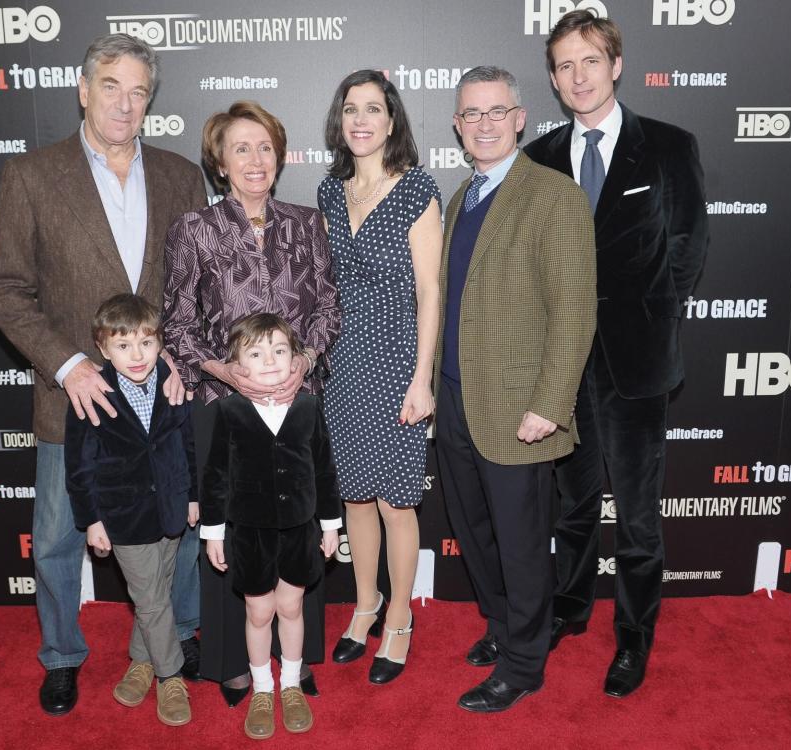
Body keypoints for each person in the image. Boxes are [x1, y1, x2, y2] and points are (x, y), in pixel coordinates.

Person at [0, 33, 207, 716]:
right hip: (71, 397)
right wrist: (69, 362)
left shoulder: (178, 175)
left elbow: (193, 287)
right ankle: (61, 656)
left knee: (179, 527)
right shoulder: (31, 175)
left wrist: (177, 351)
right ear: (83, 90)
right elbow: (5, 289)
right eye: (111, 86)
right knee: (56, 535)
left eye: (139, 90)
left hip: (160, 396)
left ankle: (181, 635)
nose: (125, 102)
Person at [523, 10, 708, 698]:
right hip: (562, 369)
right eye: (565, 65)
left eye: (590, 61)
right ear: (552, 76)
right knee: (571, 507)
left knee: (635, 514)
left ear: (616, 65)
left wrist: (653, 320)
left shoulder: (666, 145)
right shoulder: (538, 157)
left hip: (636, 365)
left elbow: (688, 247)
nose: (578, 76)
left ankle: (633, 639)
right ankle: (571, 611)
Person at [162, 100, 341, 707]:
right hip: (225, 404)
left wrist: (304, 362)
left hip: (298, 401)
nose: (255, 159)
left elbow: (327, 310)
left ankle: (296, 659)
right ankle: (233, 661)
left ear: (279, 154)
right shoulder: (195, 229)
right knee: (235, 530)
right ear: (219, 161)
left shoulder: (307, 222)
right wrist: (229, 373)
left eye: (264, 146)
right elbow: (178, 323)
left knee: (297, 520)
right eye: (241, 148)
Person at [435, 66, 596, 713]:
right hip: (456, 403)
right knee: (476, 533)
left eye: (496, 111)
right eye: (471, 114)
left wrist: (550, 406)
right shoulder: (459, 198)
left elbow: (575, 311)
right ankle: (502, 630)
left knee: (524, 542)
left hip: (520, 409)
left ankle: (525, 664)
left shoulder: (554, 196)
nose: (484, 123)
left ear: (522, 117)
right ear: (457, 124)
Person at [318, 69, 442, 684]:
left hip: (398, 363)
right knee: (355, 498)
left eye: (373, 108)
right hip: (344, 366)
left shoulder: (417, 188)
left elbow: (430, 291)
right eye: (350, 109)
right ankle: (364, 602)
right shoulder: (328, 190)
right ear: (340, 123)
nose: (361, 119)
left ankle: (399, 615)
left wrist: (422, 380)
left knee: (396, 501)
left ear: (392, 121)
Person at [200, 313, 341, 739]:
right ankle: (263, 689)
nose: (270, 360)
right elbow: (216, 475)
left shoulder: (310, 406)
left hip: (300, 529)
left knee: (292, 607)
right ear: (237, 363)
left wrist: (332, 525)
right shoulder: (228, 410)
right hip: (249, 532)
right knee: (259, 611)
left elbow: (324, 470)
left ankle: (291, 683)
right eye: (257, 353)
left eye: (280, 351)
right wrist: (213, 532)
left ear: (295, 356)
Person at [65, 295, 198, 726]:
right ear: (103, 349)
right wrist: (92, 520)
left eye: (146, 342)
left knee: (155, 590)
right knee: (152, 599)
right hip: (123, 514)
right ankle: (169, 675)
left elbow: (187, 443)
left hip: (172, 507)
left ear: (161, 342)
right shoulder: (92, 393)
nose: (136, 355)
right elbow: (80, 466)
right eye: (123, 346)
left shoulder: (170, 382)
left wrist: (193, 495)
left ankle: (141, 660)